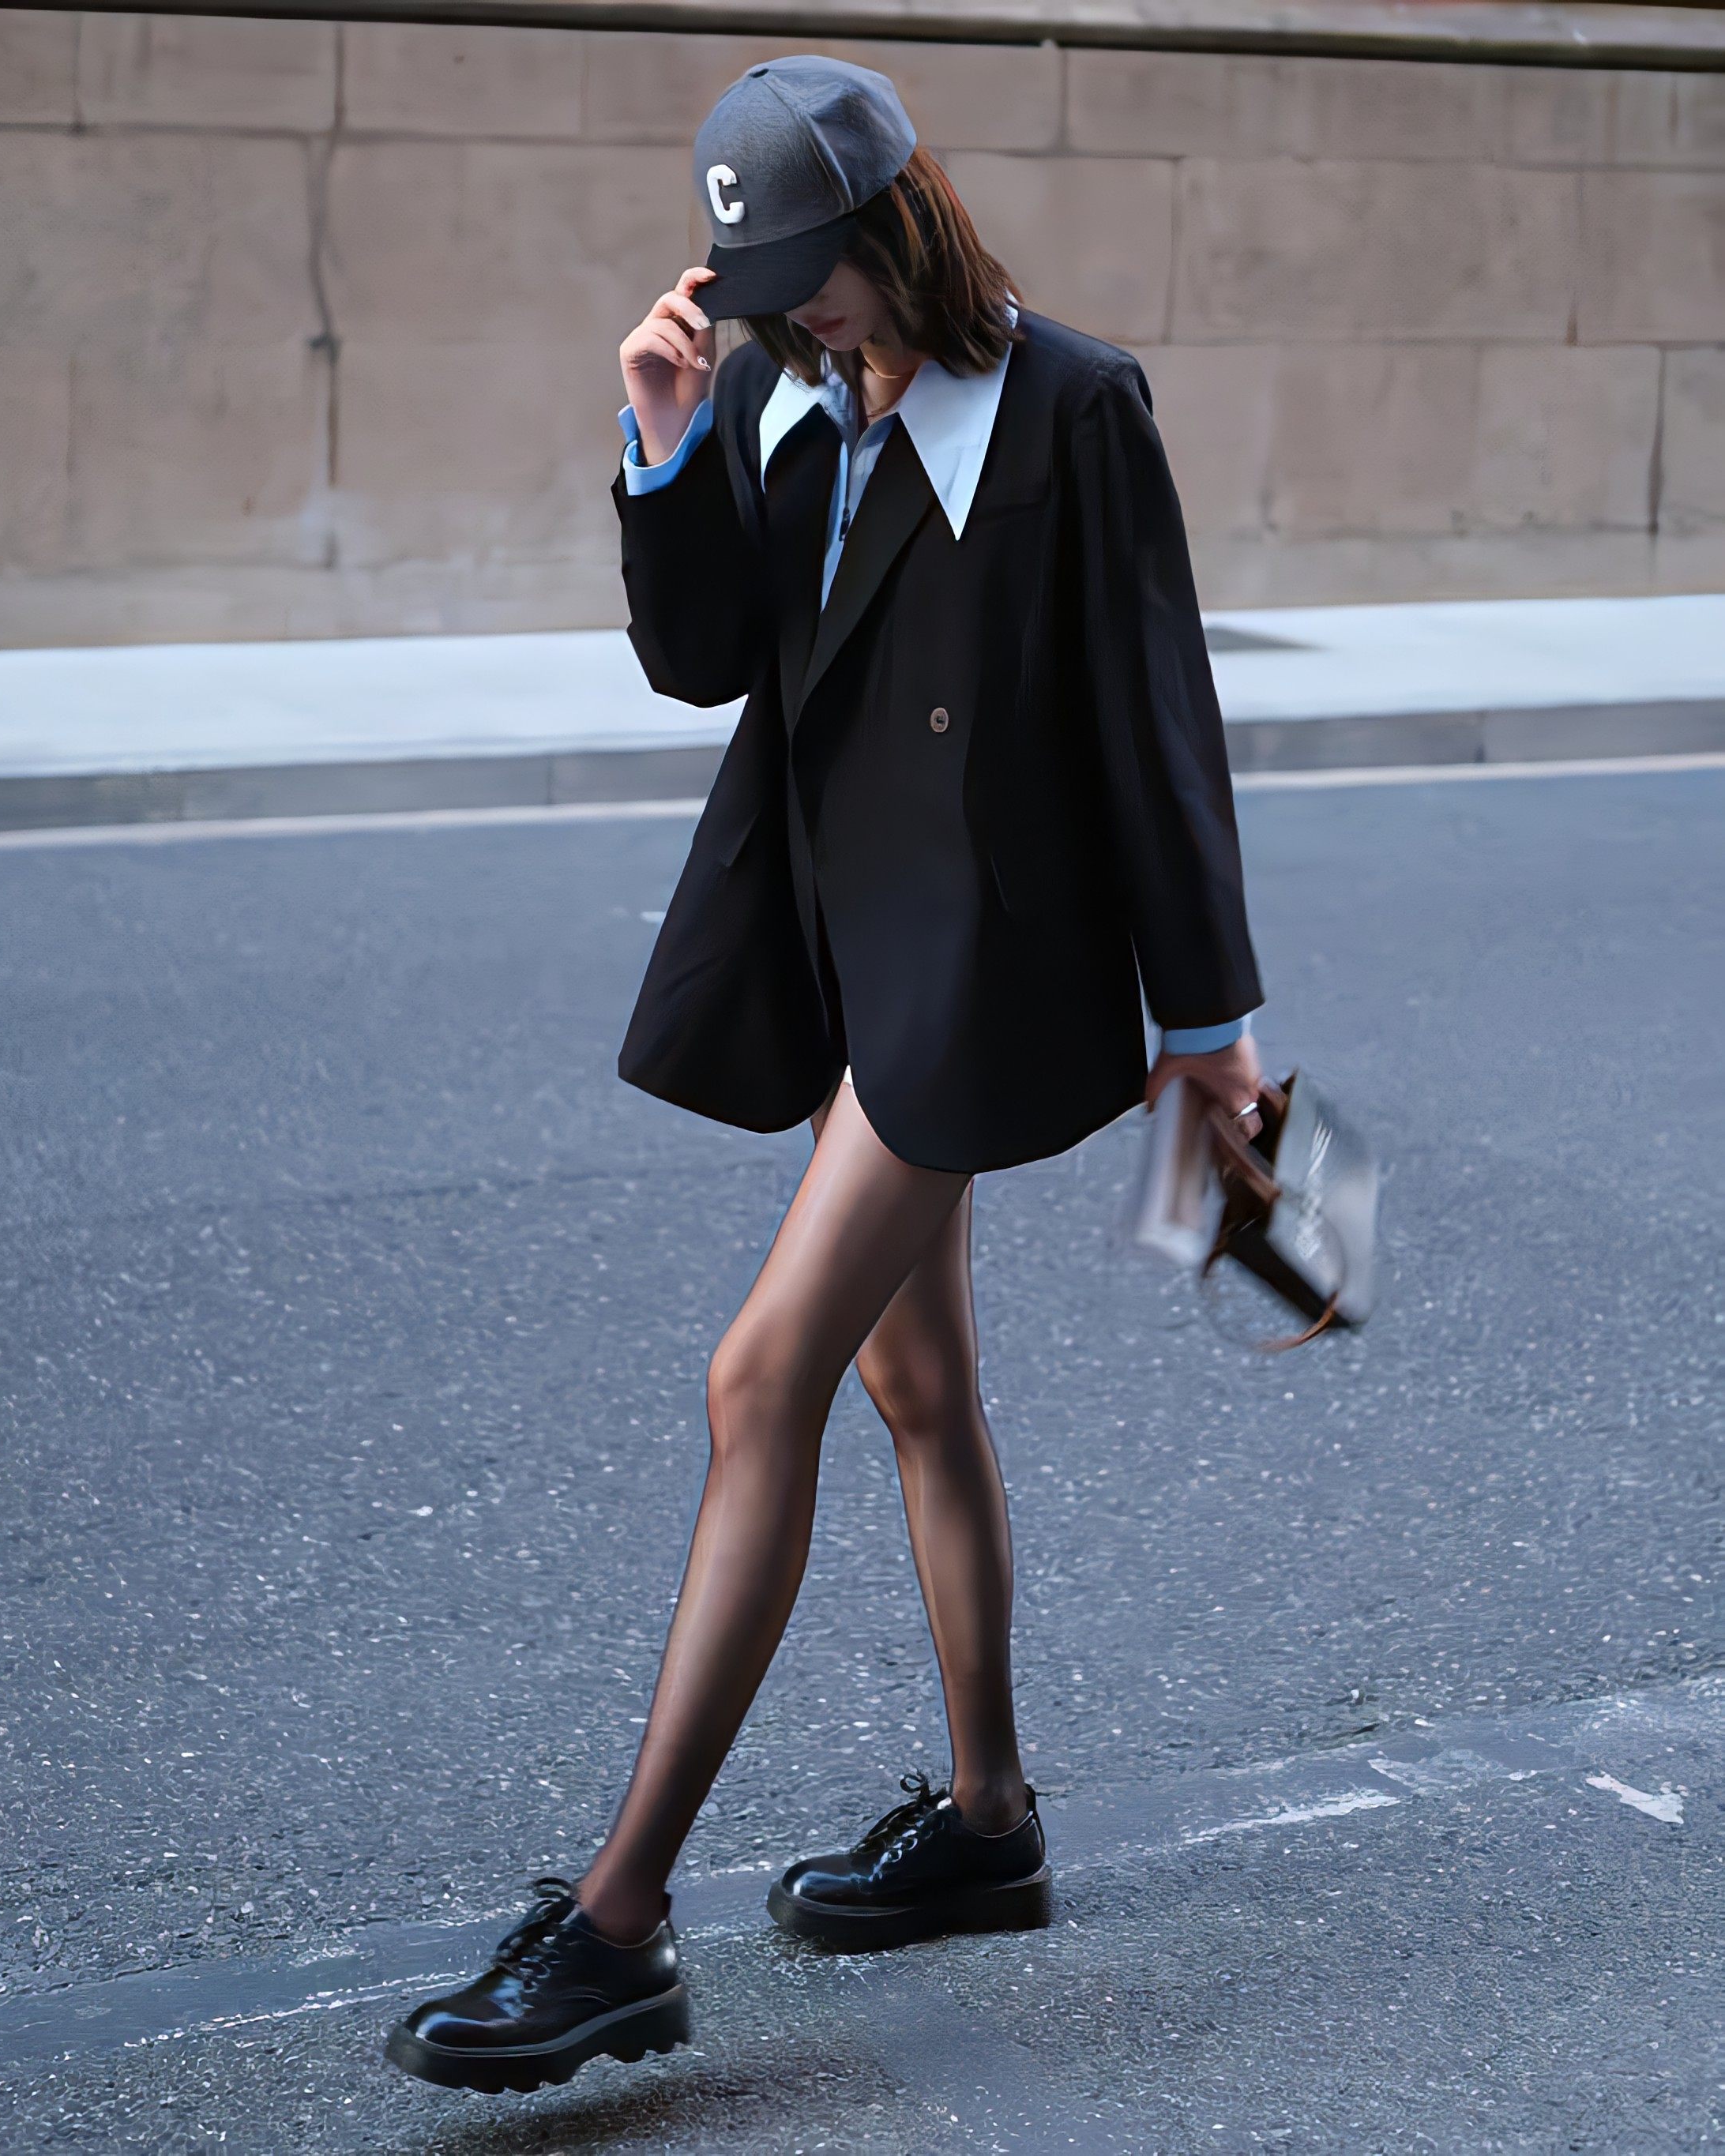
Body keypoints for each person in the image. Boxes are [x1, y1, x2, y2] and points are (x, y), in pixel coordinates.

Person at [386, 54, 1263, 2097]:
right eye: (767, 291)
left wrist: (1207, 1025)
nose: (803, 319)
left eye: (820, 279)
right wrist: (664, 437)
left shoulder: (1068, 408)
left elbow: (1159, 720)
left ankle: (617, 1925)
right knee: (915, 1387)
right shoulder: (785, 398)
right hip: (839, 950)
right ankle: (989, 1821)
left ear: (896, 223)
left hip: (977, 977)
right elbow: (707, 663)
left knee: (755, 1378)